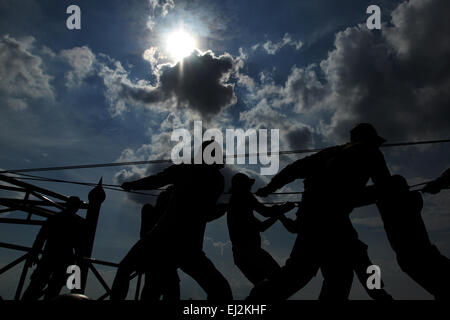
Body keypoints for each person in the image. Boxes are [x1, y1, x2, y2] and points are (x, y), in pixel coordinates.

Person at [248, 123, 391, 301]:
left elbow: (293, 169)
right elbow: (386, 187)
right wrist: (397, 190)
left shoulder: (329, 153)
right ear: (371, 140)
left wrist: (270, 187)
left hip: (312, 220)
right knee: (352, 265)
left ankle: (257, 298)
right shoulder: (372, 153)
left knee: (299, 273)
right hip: (332, 220)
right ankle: (381, 294)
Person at [111, 140, 233, 301]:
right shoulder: (216, 179)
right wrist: (224, 208)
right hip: (188, 243)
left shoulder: (186, 170)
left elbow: (157, 180)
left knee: (127, 269)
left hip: (162, 237)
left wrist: (132, 185)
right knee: (219, 288)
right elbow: (205, 213)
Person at [279, 212, 393, 300]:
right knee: (376, 290)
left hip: (336, 257)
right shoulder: (335, 201)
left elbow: (294, 228)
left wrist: (280, 215)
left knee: (336, 291)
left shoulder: (311, 204)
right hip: (354, 250)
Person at [376, 175, 450, 300]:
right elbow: (416, 199)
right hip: (423, 256)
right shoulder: (405, 203)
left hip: (412, 259)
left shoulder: (385, 205)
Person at [227, 173, 295, 285]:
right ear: (243, 186)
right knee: (278, 280)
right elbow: (266, 212)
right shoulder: (245, 197)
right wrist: (282, 210)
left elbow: (262, 227)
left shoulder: (236, 207)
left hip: (240, 256)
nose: (250, 188)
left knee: (264, 288)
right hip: (252, 252)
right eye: (248, 185)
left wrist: (279, 213)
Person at [22, 196, 87, 300]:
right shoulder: (77, 223)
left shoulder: (54, 218)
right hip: (64, 260)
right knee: (53, 290)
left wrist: (34, 253)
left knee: (36, 287)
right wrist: (78, 267)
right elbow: (79, 247)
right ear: (77, 207)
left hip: (49, 257)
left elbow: (41, 238)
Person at [139, 186, 180, 301]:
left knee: (150, 291)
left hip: (157, 264)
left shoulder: (149, 211)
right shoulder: (167, 219)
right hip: (165, 265)